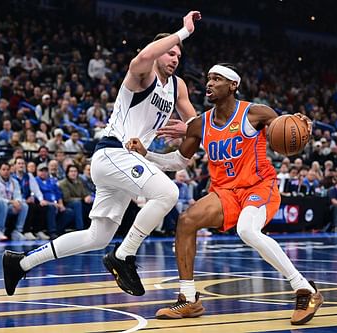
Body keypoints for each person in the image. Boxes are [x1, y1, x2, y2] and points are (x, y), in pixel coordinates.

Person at [2, 11, 201, 297]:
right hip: (112, 151)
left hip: (127, 162)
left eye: (178, 56)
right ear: (158, 53)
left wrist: (189, 129)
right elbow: (141, 57)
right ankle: (124, 255)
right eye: (169, 53)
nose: (174, 58)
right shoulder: (142, 74)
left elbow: (194, 124)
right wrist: (182, 33)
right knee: (168, 193)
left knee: (98, 236)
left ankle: (20, 263)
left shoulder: (177, 86)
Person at [126, 63, 323, 325]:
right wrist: (146, 154)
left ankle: (305, 289)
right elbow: (178, 162)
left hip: (258, 186)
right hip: (225, 192)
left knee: (247, 231)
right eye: (208, 78)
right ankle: (188, 299)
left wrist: (301, 123)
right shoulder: (199, 124)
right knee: (186, 222)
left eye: (217, 79)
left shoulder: (255, 113)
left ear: (233, 85)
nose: (209, 83)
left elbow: (284, 126)